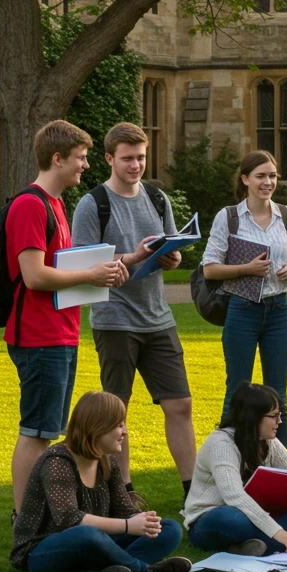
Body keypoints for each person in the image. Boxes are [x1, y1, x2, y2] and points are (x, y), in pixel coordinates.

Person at [6, 120, 125, 513]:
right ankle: (24, 520)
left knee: (47, 430)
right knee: (36, 433)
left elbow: (63, 269)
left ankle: (35, 514)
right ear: (57, 158)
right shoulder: (30, 204)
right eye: (80, 158)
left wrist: (103, 273)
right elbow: (34, 275)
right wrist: (90, 275)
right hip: (38, 336)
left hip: (61, 333)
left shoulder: (55, 204)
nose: (85, 166)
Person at [71, 122, 196, 499]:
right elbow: (80, 267)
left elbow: (169, 247)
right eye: (127, 158)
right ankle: (122, 490)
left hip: (158, 317)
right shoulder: (93, 204)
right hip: (115, 321)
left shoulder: (158, 199)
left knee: (181, 403)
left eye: (141, 157)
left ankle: (194, 490)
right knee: (116, 414)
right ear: (109, 158)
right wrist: (133, 256)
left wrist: (171, 257)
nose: (136, 165)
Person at [10, 391, 192, 572]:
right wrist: (129, 526)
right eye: (119, 425)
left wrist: (144, 521)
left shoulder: (107, 460)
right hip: (41, 550)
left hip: (97, 541)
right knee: (87, 534)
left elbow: (124, 510)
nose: (125, 432)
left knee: (169, 529)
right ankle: (145, 571)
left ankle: (102, 571)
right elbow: (68, 519)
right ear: (98, 427)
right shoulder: (57, 461)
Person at [201, 150, 287, 446]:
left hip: (278, 311)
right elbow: (209, 269)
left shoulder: (285, 215)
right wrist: (246, 269)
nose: (268, 182)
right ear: (245, 179)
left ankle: (278, 466)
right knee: (237, 390)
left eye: (272, 176)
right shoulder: (229, 217)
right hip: (242, 311)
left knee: (278, 393)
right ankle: (227, 462)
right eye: (260, 176)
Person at [185, 382, 287, 555]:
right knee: (229, 517)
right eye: (273, 416)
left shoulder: (268, 441)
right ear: (253, 417)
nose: (279, 421)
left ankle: (251, 546)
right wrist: (278, 532)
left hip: (259, 515)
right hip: (210, 520)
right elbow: (234, 496)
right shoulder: (221, 444)